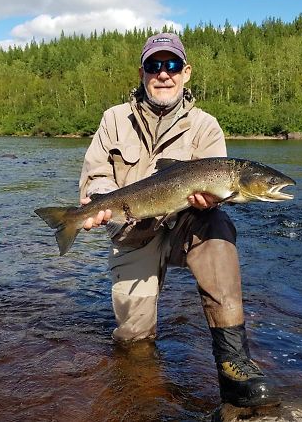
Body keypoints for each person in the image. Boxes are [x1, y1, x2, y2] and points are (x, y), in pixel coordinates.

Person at [78, 32, 279, 408]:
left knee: (219, 227)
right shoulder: (113, 120)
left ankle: (233, 360)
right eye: (155, 66)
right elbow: (97, 173)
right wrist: (99, 203)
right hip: (132, 228)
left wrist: (206, 203)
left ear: (186, 72)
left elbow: (218, 194)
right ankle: (139, 396)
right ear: (142, 72)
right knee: (133, 337)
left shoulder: (206, 126)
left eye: (171, 65)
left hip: (187, 224)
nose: (163, 74)